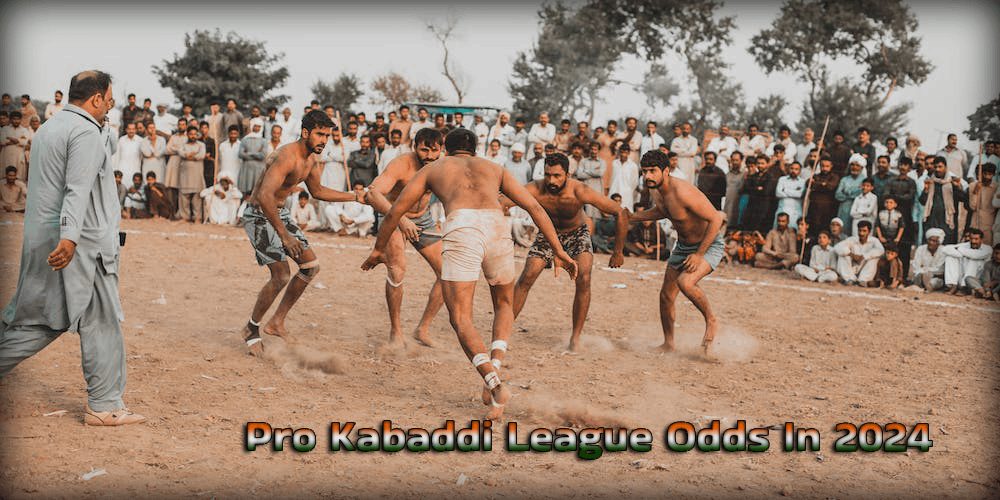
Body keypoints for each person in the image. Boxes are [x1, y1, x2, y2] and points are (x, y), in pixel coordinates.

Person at [362, 128, 577, 420]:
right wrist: (559, 249)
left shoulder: (434, 169)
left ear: (446, 149)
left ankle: (494, 381)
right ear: (475, 150)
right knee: (504, 303)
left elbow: (394, 212)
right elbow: (534, 207)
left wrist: (378, 249)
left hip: (463, 227)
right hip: (497, 225)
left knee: (461, 317)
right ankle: (496, 365)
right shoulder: (494, 168)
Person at [0, 70, 146, 425]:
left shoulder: (50, 128)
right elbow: (76, 190)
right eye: (108, 101)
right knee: (101, 319)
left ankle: (105, 402)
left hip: (44, 240)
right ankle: (105, 404)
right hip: (81, 246)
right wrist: (70, 238)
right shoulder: (84, 132)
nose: (109, 107)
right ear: (95, 99)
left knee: (36, 320)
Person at [241, 110, 362, 355]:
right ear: (305, 132)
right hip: (259, 214)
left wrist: (355, 196)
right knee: (281, 275)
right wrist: (285, 236)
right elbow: (264, 195)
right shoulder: (287, 156)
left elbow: (317, 191)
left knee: (310, 267)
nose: (324, 140)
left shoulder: (310, 160)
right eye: (320, 134)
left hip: (279, 212)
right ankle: (251, 329)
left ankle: (276, 322)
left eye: (327, 135)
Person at [510, 153, 628, 351]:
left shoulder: (580, 190)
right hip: (548, 234)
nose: (551, 181)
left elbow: (620, 212)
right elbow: (503, 200)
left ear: (567, 174)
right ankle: (504, 330)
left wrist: (618, 251)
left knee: (584, 278)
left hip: (576, 233)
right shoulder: (535, 188)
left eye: (557, 176)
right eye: (548, 175)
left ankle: (575, 338)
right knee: (527, 277)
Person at [629, 150, 725, 356]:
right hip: (682, 247)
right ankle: (669, 344)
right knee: (666, 296)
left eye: (652, 171)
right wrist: (633, 217)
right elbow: (663, 211)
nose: (647, 176)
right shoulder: (655, 190)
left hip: (708, 245)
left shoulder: (683, 191)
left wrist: (699, 254)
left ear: (666, 171)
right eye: (645, 171)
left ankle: (711, 319)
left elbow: (716, 219)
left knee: (686, 282)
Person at [362, 128, 447, 347]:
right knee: (397, 271)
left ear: (441, 149)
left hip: (423, 218)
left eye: (434, 151)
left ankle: (422, 329)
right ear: (414, 147)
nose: (429, 156)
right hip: (393, 216)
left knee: (447, 273)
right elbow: (372, 193)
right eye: (424, 150)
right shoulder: (402, 164)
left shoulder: (442, 164)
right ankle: (396, 331)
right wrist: (400, 219)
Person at [920, 155, 968, 244]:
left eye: (940, 167)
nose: (937, 169)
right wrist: (926, 190)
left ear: (945, 167)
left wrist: (957, 187)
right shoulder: (930, 182)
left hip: (947, 221)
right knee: (931, 245)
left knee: (947, 246)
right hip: (932, 220)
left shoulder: (953, 181)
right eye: (935, 167)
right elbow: (922, 201)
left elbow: (963, 198)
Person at [941, 228, 991, 295]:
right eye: (971, 239)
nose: (973, 241)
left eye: (976, 239)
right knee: (950, 257)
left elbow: (975, 255)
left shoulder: (988, 249)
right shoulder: (966, 245)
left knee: (973, 261)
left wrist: (959, 249)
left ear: (981, 240)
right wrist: (962, 254)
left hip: (975, 280)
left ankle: (965, 288)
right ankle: (952, 285)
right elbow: (945, 249)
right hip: (961, 276)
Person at [834, 220, 884, 285]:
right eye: (859, 230)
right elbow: (837, 247)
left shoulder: (874, 240)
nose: (861, 233)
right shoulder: (852, 239)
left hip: (864, 269)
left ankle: (863, 281)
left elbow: (881, 250)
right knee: (842, 255)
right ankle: (850, 280)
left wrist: (864, 256)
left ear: (869, 232)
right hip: (851, 270)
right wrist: (851, 255)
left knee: (875, 258)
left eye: (864, 231)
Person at [176, 127, 206, 222]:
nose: (193, 136)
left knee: (197, 198)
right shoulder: (183, 145)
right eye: (191, 134)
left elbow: (201, 155)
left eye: (194, 134)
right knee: (184, 197)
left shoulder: (201, 145)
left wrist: (189, 156)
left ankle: (197, 217)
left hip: (197, 175)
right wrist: (191, 155)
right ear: (187, 135)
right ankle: (185, 217)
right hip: (185, 175)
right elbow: (181, 153)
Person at [835, 155, 867, 234]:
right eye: (852, 165)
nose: (854, 167)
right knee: (844, 229)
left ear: (862, 167)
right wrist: (852, 194)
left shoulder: (865, 180)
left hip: (859, 208)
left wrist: (847, 192)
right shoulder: (844, 179)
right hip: (844, 208)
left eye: (857, 165)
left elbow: (861, 193)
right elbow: (838, 194)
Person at [967, 163, 997, 245]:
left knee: (988, 247)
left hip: (989, 224)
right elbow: (972, 206)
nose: (987, 177)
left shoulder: (996, 187)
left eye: (990, 174)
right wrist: (975, 192)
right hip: (975, 223)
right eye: (985, 174)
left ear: (994, 174)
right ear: (981, 173)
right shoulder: (973, 186)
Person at [910, 227, 946, 292]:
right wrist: (924, 273)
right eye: (930, 240)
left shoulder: (943, 250)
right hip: (920, 275)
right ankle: (922, 287)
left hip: (935, 277)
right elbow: (916, 266)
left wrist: (926, 270)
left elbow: (940, 270)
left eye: (934, 241)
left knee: (935, 282)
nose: (931, 243)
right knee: (918, 278)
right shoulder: (921, 249)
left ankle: (925, 287)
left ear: (939, 243)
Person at [575, 142, 607, 213]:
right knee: (586, 211)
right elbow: (579, 175)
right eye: (592, 149)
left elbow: (600, 173)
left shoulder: (602, 162)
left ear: (598, 151)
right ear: (589, 150)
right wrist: (594, 172)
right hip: (585, 189)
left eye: (595, 149)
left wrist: (586, 171)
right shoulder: (583, 161)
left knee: (597, 211)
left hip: (597, 189)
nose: (593, 151)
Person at [238, 121, 268, 195]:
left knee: (257, 191)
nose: (257, 128)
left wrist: (248, 153)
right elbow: (241, 154)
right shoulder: (245, 140)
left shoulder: (263, 141)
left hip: (258, 169)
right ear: (252, 126)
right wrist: (256, 154)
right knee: (246, 192)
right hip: (246, 169)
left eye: (259, 126)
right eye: (255, 126)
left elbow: (262, 156)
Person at [775, 161, 806, 228]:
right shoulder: (782, 179)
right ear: (789, 169)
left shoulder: (802, 181)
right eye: (792, 168)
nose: (793, 171)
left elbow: (799, 194)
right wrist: (794, 192)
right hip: (782, 209)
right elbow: (778, 193)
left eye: (796, 169)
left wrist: (785, 190)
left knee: (793, 230)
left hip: (795, 211)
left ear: (800, 171)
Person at [0, 111, 30, 181]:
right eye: (14, 119)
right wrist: (18, 140)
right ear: (10, 119)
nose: (16, 121)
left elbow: (24, 142)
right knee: (4, 176)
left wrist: (10, 138)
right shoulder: (5, 129)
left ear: (21, 119)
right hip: (6, 155)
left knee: (19, 176)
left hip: (19, 155)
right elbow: (2, 141)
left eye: (18, 119)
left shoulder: (24, 130)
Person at [609, 144, 639, 210]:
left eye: (625, 152)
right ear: (619, 152)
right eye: (621, 152)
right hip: (614, 191)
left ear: (629, 153)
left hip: (626, 194)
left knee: (625, 211)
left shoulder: (633, 166)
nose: (623, 154)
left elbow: (634, 182)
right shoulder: (614, 163)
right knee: (612, 210)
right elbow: (610, 177)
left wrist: (628, 190)